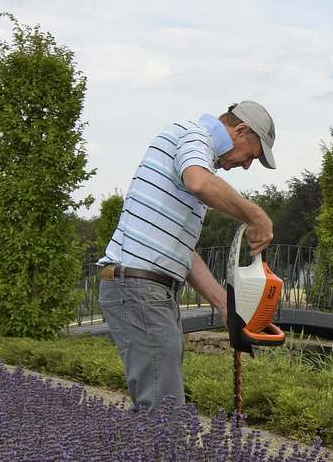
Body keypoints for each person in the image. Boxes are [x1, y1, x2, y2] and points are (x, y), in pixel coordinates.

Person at [98, 101, 277, 413]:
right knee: (163, 411)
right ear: (240, 130)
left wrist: (224, 304)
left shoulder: (197, 153)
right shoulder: (193, 135)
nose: (248, 165)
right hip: (139, 288)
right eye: (253, 154)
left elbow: (182, 250)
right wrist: (255, 217)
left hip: (147, 289)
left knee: (159, 403)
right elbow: (198, 182)